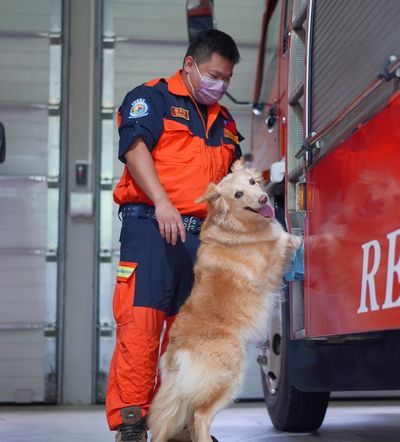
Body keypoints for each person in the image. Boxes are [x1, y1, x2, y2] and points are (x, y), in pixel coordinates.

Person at [105, 29, 243, 442]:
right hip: (151, 225)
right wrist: (163, 202)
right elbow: (134, 148)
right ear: (190, 65)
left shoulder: (227, 122)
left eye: (227, 79)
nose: (220, 85)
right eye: (214, 75)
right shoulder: (152, 98)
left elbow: (235, 180)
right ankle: (131, 421)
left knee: (191, 337)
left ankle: (181, 424)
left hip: (203, 239)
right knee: (141, 325)